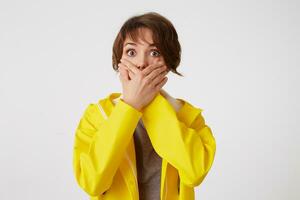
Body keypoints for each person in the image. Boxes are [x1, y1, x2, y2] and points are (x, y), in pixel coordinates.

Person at [72, 11, 216, 200]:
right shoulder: (97, 116)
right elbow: (92, 183)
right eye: (131, 52)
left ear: (168, 62)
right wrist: (129, 106)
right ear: (119, 61)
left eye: (154, 52)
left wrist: (152, 102)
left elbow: (195, 172)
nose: (141, 63)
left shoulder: (189, 116)